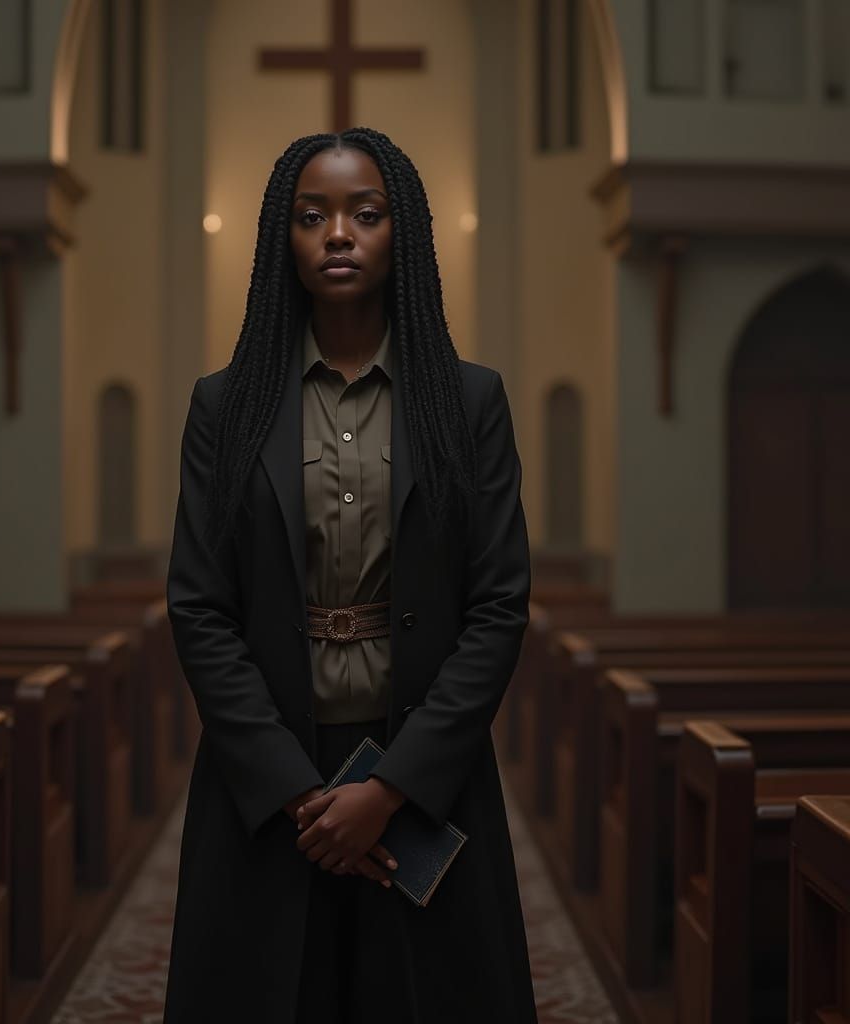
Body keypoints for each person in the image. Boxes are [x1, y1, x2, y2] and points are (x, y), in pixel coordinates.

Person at [163, 126, 536, 1024]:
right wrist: (298, 793)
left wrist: (391, 790)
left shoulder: (468, 399)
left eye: (365, 214)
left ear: (399, 232)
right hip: (269, 782)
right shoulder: (227, 406)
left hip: (419, 770)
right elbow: (200, 608)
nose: (338, 234)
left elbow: (498, 606)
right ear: (279, 241)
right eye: (312, 216)